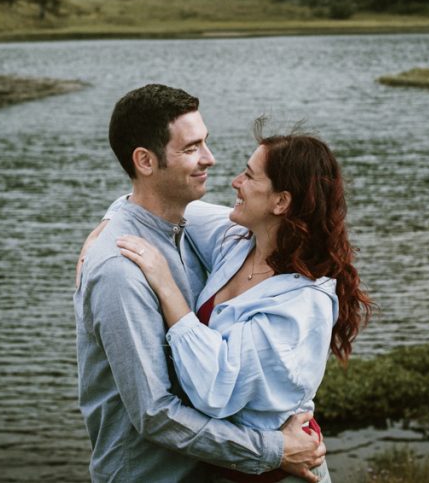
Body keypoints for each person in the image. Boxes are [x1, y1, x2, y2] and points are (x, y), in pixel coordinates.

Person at [74, 84, 326, 482]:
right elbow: (154, 413)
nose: (209, 159)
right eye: (192, 148)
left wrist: (111, 214)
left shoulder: (193, 228)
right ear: (144, 160)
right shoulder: (119, 270)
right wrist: (276, 450)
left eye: (205, 142)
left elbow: (279, 219)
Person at [110, 119, 372, 482]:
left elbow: (214, 389)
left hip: (281, 474)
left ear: (281, 202)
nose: (235, 182)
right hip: (233, 468)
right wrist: (106, 231)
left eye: (249, 176)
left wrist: (166, 287)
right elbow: (152, 204)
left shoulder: (301, 303)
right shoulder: (238, 239)